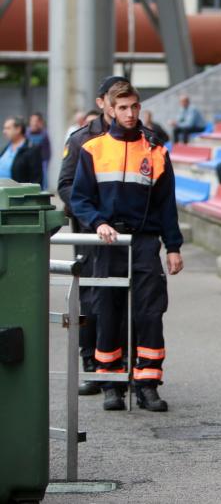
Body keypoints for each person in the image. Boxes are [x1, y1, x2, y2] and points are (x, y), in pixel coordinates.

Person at [71, 80, 184, 412]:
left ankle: (147, 384)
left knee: (150, 312)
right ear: (110, 109)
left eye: (134, 106)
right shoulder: (93, 149)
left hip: (145, 242)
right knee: (108, 311)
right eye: (122, 107)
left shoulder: (156, 150)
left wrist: (173, 246)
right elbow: (79, 199)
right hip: (109, 241)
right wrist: (98, 222)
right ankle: (112, 383)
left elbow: (167, 205)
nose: (130, 113)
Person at [58, 75, 130, 397]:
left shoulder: (137, 139)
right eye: (115, 98)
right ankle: (90, 364)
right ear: (103, 103)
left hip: (123, 236)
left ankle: (120, 364)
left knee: (123, 301)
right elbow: (66, 186)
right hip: (90, 235)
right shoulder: (80, 139)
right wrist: (93, 215)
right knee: (89, 300)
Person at [0, 116, 42, 185]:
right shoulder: (5, 149)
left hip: (17, 193)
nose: (4, 131)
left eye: (8, 128)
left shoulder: (31, 150)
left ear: (18, 129)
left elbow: (36, 180)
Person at [27, 112, 50, 186]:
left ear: (40, 122)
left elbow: (47, 151)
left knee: (42, 180)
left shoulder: (44, 133)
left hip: (42, 161)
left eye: (36, 121)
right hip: (29, 160)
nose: (34, 123)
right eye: (32, 121)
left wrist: (45, 161)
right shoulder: (26, 133)